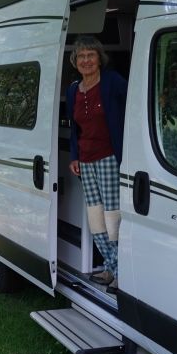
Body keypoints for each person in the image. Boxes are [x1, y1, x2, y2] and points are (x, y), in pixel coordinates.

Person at [66, 36, 128, 292]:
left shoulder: (112, 82)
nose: (86, 60)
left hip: (109, 158)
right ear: (75, 61)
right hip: (86, 160)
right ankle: (110, 268)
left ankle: (121, 273)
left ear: (99, 58)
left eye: (90, 55)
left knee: (113, 218)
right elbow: (74, 128)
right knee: (96, 219)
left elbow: (135, 103)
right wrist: (74, 156)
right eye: (81, 56)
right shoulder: (73, 90)